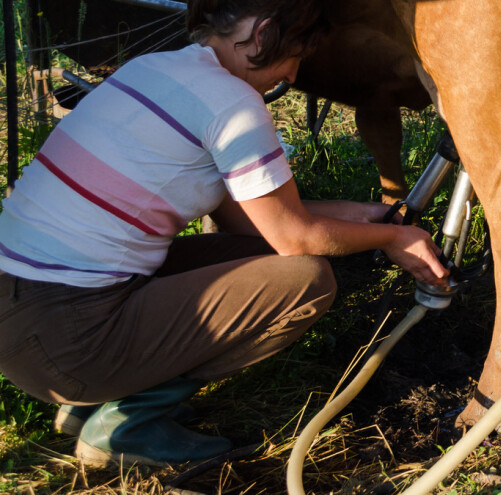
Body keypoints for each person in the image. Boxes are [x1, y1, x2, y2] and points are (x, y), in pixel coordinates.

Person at [0, 0, 448, 468]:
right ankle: (127, 421)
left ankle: (93, 399)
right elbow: (294, 238)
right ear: (263, 34)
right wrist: (394, 240)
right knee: (306, 281)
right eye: (295, 54)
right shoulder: (232, 104)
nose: (293, 75)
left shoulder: (153, 69)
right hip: (69, 336)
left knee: (252, 252)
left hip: (24, 311)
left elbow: (249, 218)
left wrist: (365, 214)